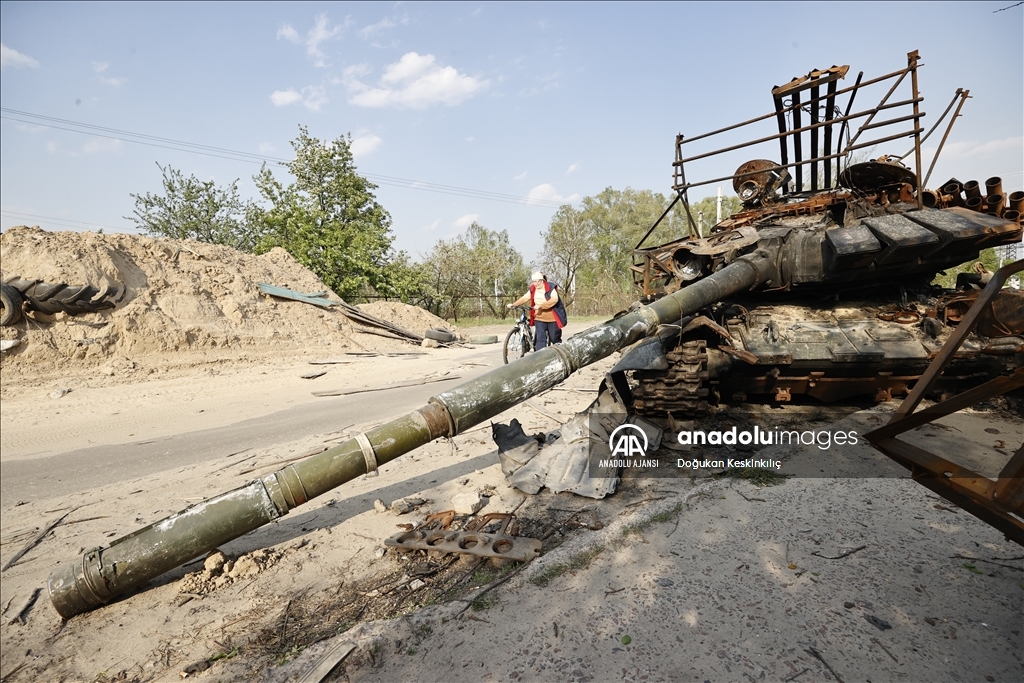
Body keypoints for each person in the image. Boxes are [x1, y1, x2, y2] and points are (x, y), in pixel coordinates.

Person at [507, 271, 567, 351]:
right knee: (540, 339)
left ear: (541, 280)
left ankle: (560, 353)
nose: (534, 284)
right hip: (539, 317)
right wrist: (514, 304)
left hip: (552, 318)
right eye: (533, 282)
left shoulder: (550, 287)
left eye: (536, 282)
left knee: (554, 338)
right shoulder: (533, 289)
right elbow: (525, 298)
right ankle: (540, 358)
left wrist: (541, 305)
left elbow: (554, 300)